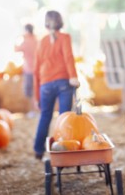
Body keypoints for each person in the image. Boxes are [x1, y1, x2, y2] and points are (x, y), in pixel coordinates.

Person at [33, 10, 80, 160]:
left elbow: (35, 70)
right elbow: (68, 57)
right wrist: (73, 76)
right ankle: (63, 150)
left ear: (46, 24)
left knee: (45, 116)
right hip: (63, 83)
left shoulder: (41, 42)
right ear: (60, 22)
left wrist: (36, 95)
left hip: (45, 84)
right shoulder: (65, 38)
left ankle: (38, 150)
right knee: (64, 117)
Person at [15, 24, 38, 117]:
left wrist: (18, 38)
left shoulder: (26, 41)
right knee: (37, 90)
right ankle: (38, 110)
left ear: (27, 31)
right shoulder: (37, 40)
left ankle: (33, 111)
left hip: (29, 70)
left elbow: (15, 49)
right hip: (37, 69)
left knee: (30, 91)